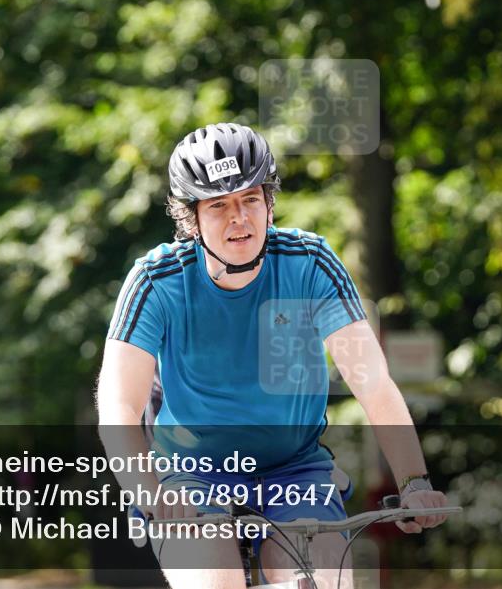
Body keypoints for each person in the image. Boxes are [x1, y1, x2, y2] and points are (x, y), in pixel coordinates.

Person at [96, 123, 447, 589]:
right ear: (191, 218)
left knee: (323, 581)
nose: (238, 217)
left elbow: (375, 386)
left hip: (295, 469)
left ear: (269, 201)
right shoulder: (156, 280)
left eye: (250, 199)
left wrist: (414, 484)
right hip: (188, 473)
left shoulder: (310, 263)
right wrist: (150, 493)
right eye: (218, 205)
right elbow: (118, 404)